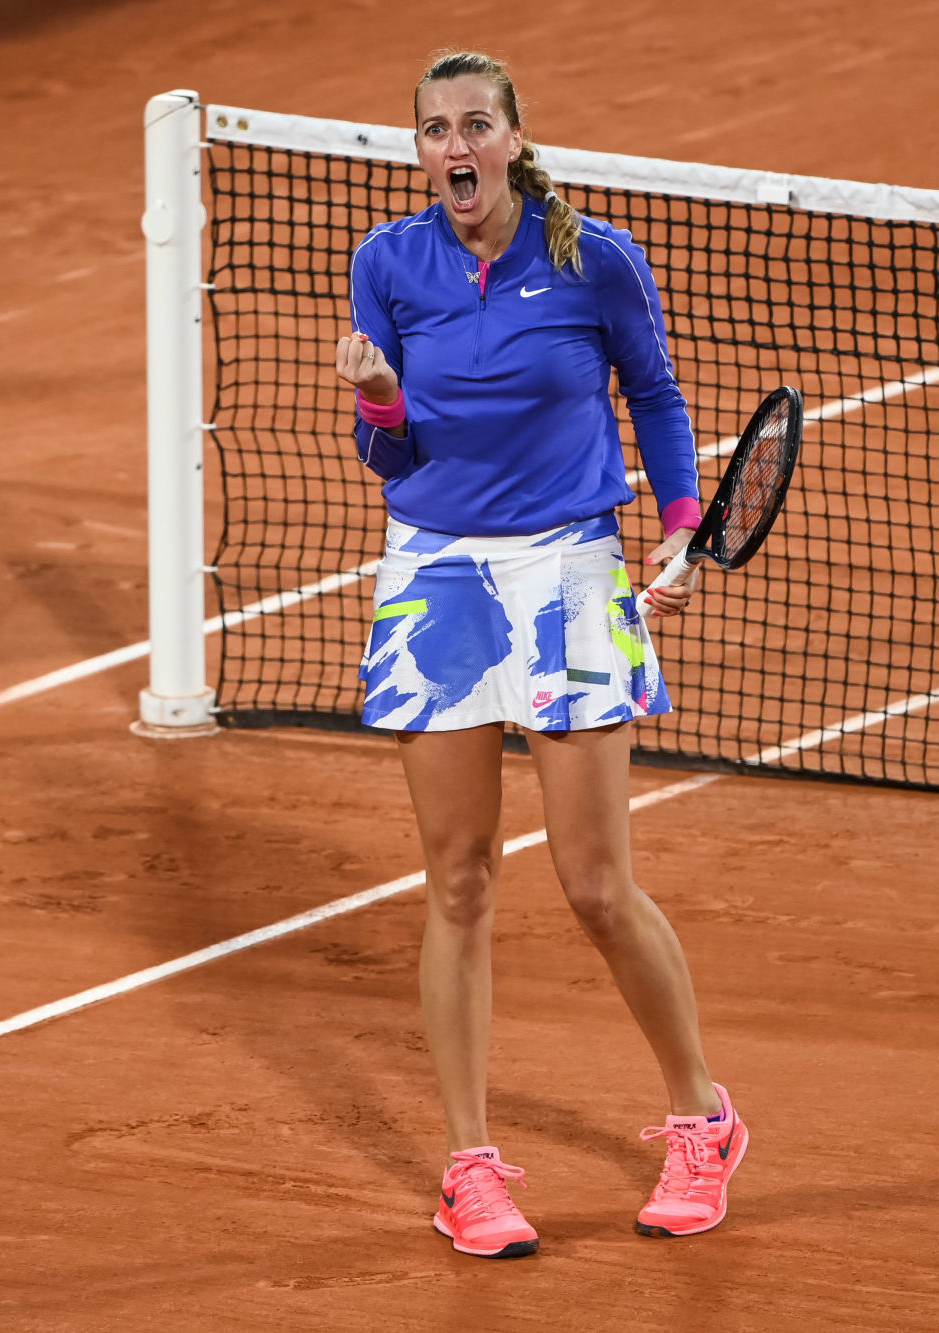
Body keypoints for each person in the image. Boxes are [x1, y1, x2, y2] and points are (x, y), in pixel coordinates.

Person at [331, 50, 746, 1260]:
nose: (451, 147)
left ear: (512, 139)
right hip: (438, 577)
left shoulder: (592, 259)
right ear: (419, 152)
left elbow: (656, 396)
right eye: (430, 131)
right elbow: (395, 467)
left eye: (473, 126)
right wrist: (376, 403)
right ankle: (469, 1166)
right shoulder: (385, 265)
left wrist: (676, 524)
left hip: (569, 569)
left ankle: (700, 1119)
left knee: (594, 883)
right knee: (456, 880)